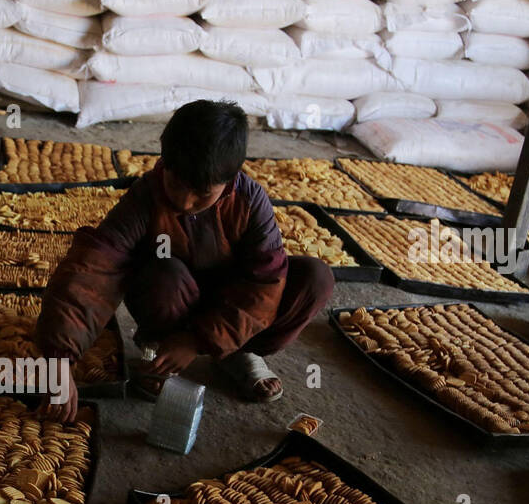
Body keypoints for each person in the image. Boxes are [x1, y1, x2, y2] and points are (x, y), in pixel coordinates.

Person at [35, 99, 335, 421]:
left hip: (230, 302)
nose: (185, 201)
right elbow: (93, 268)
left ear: (230, 180)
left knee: (315, 279)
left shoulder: (251, 201)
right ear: (164, 161)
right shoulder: (145, 196)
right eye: (177, 184)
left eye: (202, 193)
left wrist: (196, 340)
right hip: (171, 300)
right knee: (164, 270)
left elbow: (264, 284)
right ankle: (161, 347)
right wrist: (59, 360)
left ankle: (237, 352)